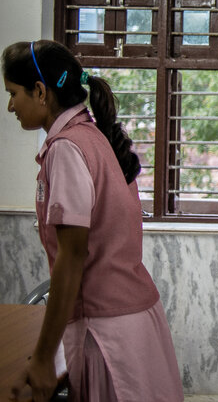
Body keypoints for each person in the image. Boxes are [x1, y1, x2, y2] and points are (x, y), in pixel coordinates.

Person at [4, 40, 183, 402]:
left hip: (107, 334)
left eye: (13, 94)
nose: (10, 106)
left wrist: (41, 359)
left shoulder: (68, 148)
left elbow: (71, 260)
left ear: (40, 92)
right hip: (132, 320)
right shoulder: (95, 137)